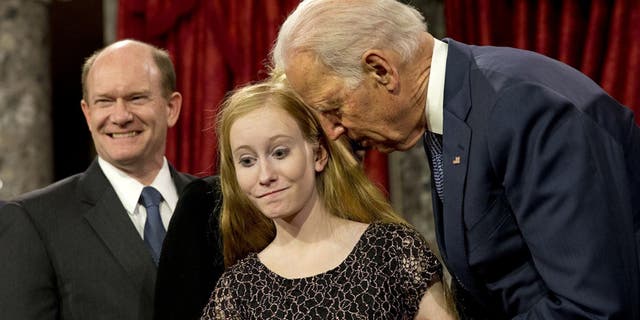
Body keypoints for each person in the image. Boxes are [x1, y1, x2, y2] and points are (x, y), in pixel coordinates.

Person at [271, 0, 640, 319]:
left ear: (381, 70)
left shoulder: (520, 107)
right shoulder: (459, 106)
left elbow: (593, 307)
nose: (334, 130)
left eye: (334, 108)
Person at [0, 39, 224, 320]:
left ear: (171, 107)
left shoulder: (218, 203)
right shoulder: (33, 219)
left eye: (136, 98)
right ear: (87, 113)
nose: (120, 116)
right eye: (105, 101)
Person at [200, 75, 456, 319]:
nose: (265, 175)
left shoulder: (390, 250)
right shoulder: (239, 290)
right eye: (247, 160)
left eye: (279, 153)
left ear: (319, 154)